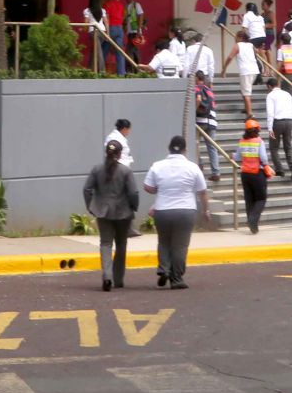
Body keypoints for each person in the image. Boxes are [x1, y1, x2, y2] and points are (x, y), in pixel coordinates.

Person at [143, 137, 207, 290]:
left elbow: (147, 187)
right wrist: (206, 210)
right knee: (179, 246)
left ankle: (163, 268)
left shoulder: (157, 166)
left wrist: (160, 190)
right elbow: (202, 192)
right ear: (185, 150)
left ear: (169, 148)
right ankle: (176, 278)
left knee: (164, 242)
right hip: (185, 211)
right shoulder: (192, 167)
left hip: (162, 210)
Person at [83, 137, 140, 291]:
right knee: (121, 245)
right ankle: (118, 279)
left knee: (106, 243)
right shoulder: (126, 171)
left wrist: (91, 206)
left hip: (102, 212)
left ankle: (106, 275)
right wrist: (134, 207)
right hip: (123, 213)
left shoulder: (96, 170)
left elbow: (87, 189)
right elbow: (133, 192)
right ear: (120, 154)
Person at [235, 119, 273, 233]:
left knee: (249, 200)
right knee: (261, 199)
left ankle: (253, 226)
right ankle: (252, 220)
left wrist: (231, 156)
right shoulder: (259, 141)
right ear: (257, 130)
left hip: (245, 174)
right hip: (257, 174)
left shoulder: (242, 141)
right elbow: (264, 158)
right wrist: (267, 166)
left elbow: (237, 157)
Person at [263, 78, 292, 180]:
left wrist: (270, 128)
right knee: (288, 146)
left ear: (269, 86)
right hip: (289, 121)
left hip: (277, 122)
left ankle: (279, 170)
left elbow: (270, 113)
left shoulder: (270, 96)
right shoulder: (287, 94)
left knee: (274, 147)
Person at [192, 71, 221, 179]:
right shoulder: (209, 90)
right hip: (212, 121)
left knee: (196, 144)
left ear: (196, 78)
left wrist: (193, 111)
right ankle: (216, 172)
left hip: (200, 121)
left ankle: (199, 165)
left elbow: (198, 99)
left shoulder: (197, 88)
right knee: (212, 147)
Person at [83, 0, 113, 74]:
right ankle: (89, 70)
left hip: (93, 31)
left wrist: (84, 29)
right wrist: (108, 34)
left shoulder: (87, 11)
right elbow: (106, 22)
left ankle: (102, 71)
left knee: (98, 51)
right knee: (95, 51)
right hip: (102, 31)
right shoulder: (102, 10)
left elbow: (86, 23)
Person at [233, 26, 259, 114]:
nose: (235, 38)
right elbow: (257, 51)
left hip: (246, 71)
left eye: (236, 37)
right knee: (245, 90)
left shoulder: (238, 45)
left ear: (240, 37)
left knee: (246, 92)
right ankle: (246, 108)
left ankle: (250, 113)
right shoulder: (251, 45)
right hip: (254, 70)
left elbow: (230, 57)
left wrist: (224, 68)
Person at [105, 0, 129, 75]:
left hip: (111, 27)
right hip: (119, 28)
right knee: (119, 52)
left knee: (104, 49)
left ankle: (100, 71)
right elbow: (123, 17)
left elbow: (106, 18)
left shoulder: (107, 4)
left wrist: (107, 31)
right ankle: (121, 73)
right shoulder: (121, 5)